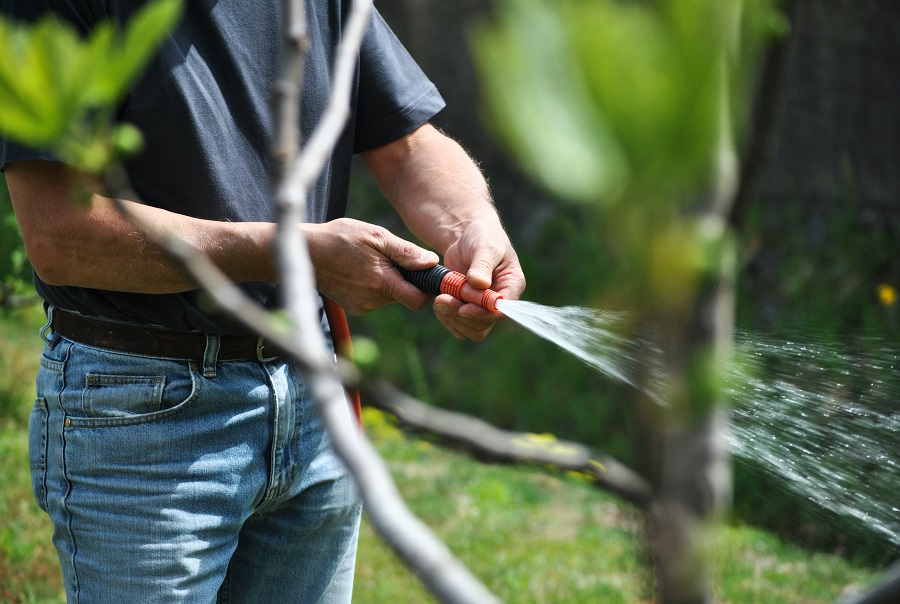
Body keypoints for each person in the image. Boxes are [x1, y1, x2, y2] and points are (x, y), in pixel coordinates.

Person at [1, 0, 525, 602]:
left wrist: (471, 226)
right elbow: (61, 235)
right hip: (144, 417)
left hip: (312, 387)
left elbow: (408, 146)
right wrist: (288, 252)